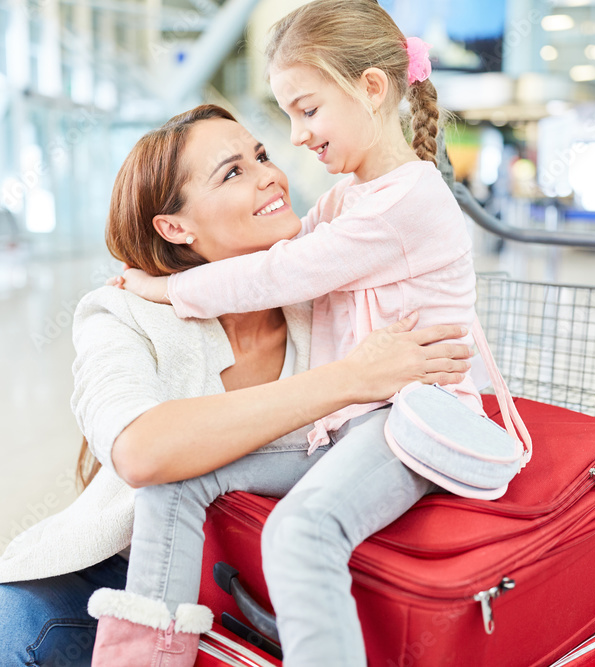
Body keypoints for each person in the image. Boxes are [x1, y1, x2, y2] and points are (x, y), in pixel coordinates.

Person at [0, 104, 472, 667]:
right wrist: (347, 380)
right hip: (144, 560)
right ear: (174, 227)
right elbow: (141, 451)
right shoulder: (124, 311)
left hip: (288, 561)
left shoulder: (329, 290)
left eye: (261, 155)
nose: (269, 174)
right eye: (232, 172)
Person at [107, 1, 532, 664]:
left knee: (302, 531)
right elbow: (273, 263)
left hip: (410, 420)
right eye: (288, 116)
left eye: (306, 109)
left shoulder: (410, 198)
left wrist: (166, 287)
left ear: (370, 88)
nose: (297, 136)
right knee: (174, 481)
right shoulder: (345, 199)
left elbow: (280, 273)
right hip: (350, 422)